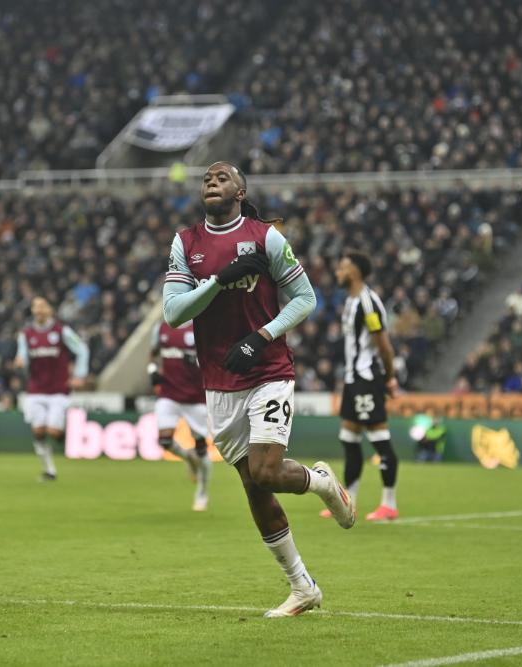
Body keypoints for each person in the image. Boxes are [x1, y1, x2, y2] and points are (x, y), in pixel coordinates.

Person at [163, 161, 354, 618]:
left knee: (266, 472)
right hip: (219, 381)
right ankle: (302, 588)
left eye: (222, 177)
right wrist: (220, 280)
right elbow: (173, 312)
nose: (212, 181)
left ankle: (322, 483)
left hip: (268, 369)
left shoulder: (267, 237)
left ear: (241, 190)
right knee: (253, 486)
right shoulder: (185, 243)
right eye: (206, 178)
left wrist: (261, 337)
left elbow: (306, 298)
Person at [320, 252, 401, 522]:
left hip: (367, 379)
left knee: (380, 441)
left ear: (354, 272)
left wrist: (389, 378)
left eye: (342, 267)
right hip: (353, 380)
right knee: (349, 440)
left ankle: (389, 504)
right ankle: (348, 501)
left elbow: (384, 346)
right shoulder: (351, 301)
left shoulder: (368, 303)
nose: (337, 272)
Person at [14, 296, 89, 481]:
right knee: (38, 431)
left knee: (53, 432)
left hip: (58, 389)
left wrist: (79, 375)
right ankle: (49, 470)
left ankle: (64, 436)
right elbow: (22, 354)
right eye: (35, 307)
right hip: (36, 389)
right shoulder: (26, 334)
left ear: (50, 310)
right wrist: (20, 361)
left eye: (42, 306)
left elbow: (82, 350)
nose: (38, 310)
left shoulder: (61, 331)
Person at [148, 319, 213, 511]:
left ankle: (202, 490)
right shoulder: (160, 328)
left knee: (201, 449)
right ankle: (189, 458)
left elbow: (215, 357)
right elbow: (152, 354)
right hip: (168, 394)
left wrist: (198, 361)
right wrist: (152, 371)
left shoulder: (200, 327)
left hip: (196, 397)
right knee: (165, 442)